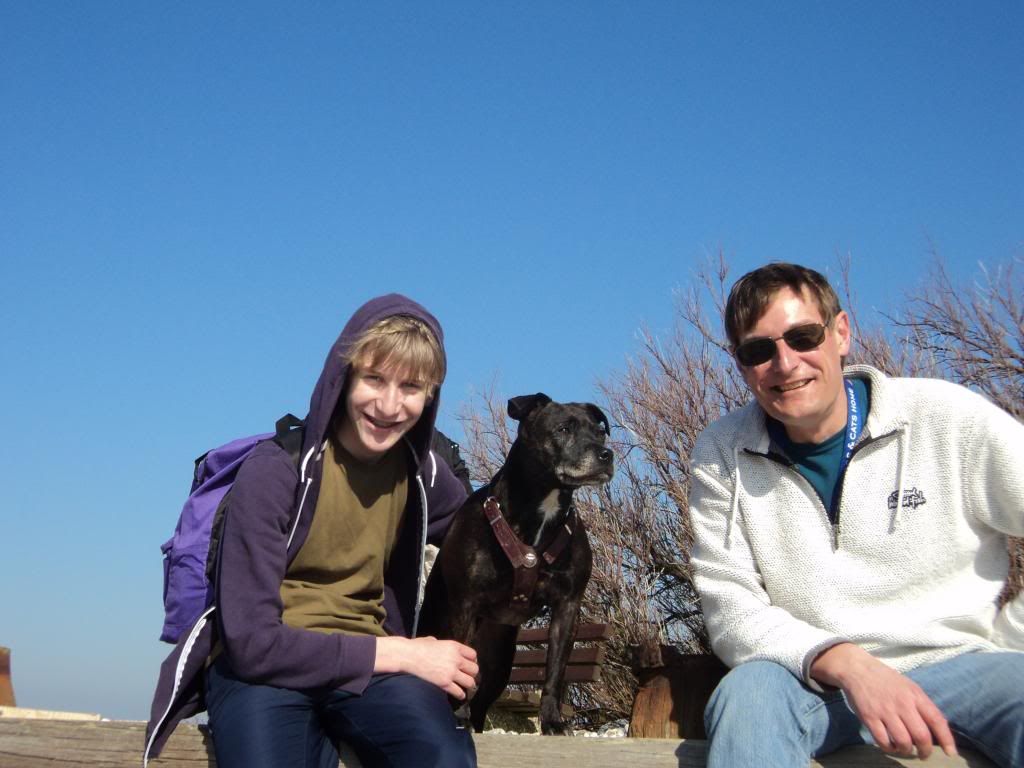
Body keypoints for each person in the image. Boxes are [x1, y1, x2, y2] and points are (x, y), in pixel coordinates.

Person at [688, 263, 1024, 767]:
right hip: (808, 681)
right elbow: (730, 605)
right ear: (740, 363)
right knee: (747, 693)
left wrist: (1009, 641)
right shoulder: (719, 451)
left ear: (841, 332)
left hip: (962, 667)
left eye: (803, 337)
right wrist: (847, 664)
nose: (785, 363)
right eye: (759, 350)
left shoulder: (946, 418)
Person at [145, 294, 479, 768]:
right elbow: (254, 645)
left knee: (444, 758)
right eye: (374, 378)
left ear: (431, 396)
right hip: (264, 671)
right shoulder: (274, 471)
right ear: (343, 376)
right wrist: (404, 654)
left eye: (411, 387)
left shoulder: (422, 476)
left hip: (371, 672)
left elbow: (482, 534)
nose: (388, 405)